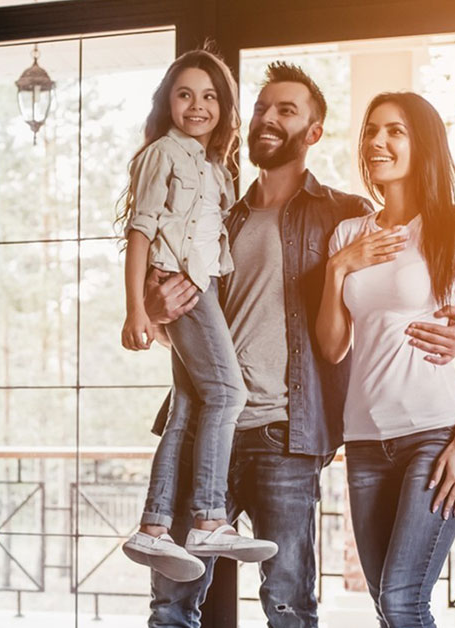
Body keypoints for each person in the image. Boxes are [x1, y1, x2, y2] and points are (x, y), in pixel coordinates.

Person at [142, 64, 455, 627]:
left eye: (286, 111)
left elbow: (409, 278)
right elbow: (172, 297)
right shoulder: (216, 210)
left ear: (314, 132)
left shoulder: (346, 216)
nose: (269, 119)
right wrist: (152, 307)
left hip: (285, 440)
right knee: (171, 606)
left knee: (290, 607)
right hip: (203, 435)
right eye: (262, 109)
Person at [316, 92, 455, 627]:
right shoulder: (349, 234)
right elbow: (332, 347)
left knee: (402, 601)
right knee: (386, 605)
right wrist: (336, 269)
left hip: (433, 434)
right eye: (372, 130)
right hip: (366, 443)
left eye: (395, 131)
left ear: (423, 144)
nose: (378, 142)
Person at [119, 47, 278, 584]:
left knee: (189, 407)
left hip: (201, 284)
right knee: (230, 394)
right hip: (181, 284)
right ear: (167, 100)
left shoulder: (214, 167)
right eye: (185, 94)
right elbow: (139, 230)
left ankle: (155, 527)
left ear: (224, 107)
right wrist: (136, 308)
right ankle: (211, 517)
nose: (197, 105)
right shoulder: (162, 153)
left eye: (210, 96)